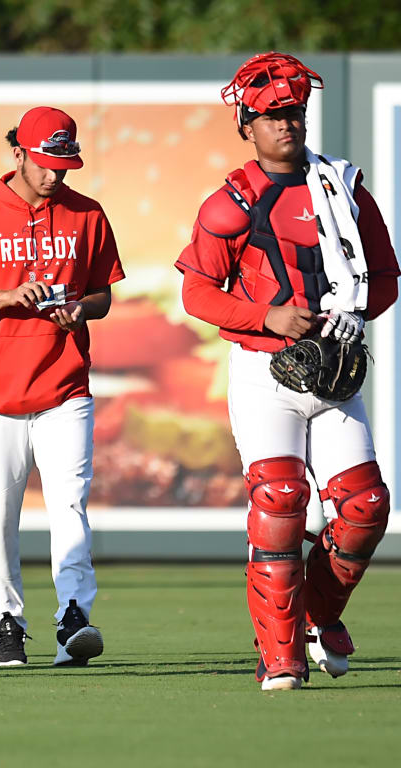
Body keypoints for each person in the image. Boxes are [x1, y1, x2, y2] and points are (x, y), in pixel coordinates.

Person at [176, 52, 399, 691]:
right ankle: (280, 658)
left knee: (366, 507)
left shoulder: (344, 188)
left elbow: (383, 278)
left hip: (331, 372)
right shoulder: (229, 203)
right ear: (246, 122)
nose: (288, 123)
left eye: (295, 112)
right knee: (279, 499)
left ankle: (315, 614)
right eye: (273, 114)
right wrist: (269, 318)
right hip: (263, 372)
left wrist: (355, 316)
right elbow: (197, 294)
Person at [0, 106, 122, 668]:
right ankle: (6, 621)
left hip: (66, 386)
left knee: (70, 506)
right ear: (18, 153)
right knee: (0, 514)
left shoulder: (87, 214)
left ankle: (73, 619)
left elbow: (103, 295)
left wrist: (80, 310)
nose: (55, 175)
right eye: (45, 163)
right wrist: (7, 297)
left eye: (64, 165)